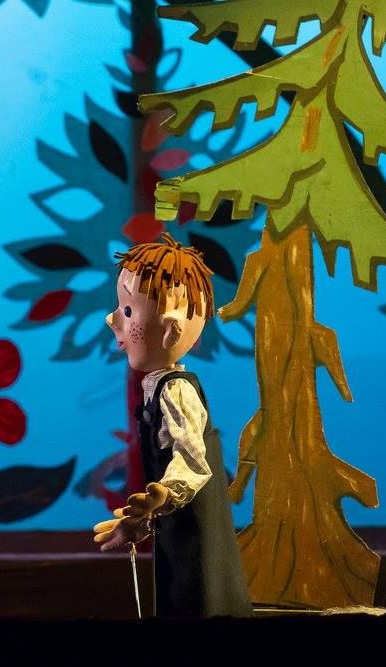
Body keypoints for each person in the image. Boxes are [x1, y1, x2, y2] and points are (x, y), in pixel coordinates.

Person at [93, 233, 250, 617]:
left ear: (170, 329)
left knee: (198, 596)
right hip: (176, 526)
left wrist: (162, 496)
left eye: (128, 310)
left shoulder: (177, 392)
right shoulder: (157, 389)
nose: (113, 318)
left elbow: (193, 462)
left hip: (196, 530)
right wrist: (142, 517)